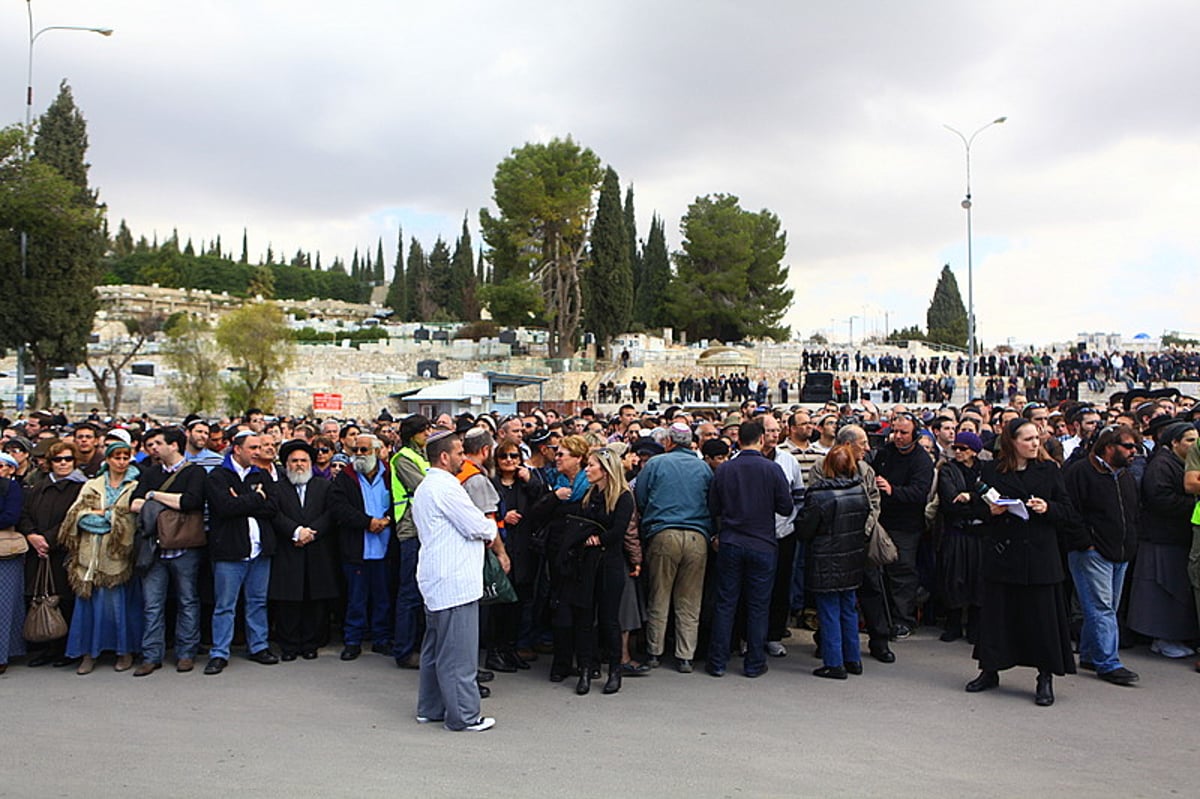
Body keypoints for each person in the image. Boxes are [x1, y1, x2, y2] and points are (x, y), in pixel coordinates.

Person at [968, 419, 1078, 707]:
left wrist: (1047, 507)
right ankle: (990, 670)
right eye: (1027, 439)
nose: (1034, 444)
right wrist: (990, 510)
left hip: (1039, 557)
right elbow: (977, 507)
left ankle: (1045, 677)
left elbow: (1067, 510)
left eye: (1036, 439)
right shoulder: (992, 470)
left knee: (1042, 619)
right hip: (1004, 554)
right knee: (997, 616)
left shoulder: (1049, 470)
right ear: (1011, 442)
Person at [412, 431, 498, 732]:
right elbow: (477, 524)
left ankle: (430, 707)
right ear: (445, 457)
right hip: (454, 582)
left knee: (436, 650)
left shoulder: (429, 486)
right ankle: (463, 715)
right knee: (458, 654)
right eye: (460, 452)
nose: (464, 457)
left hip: (439, 578)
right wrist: (490, 526)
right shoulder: (445, 487)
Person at [705, 421, 793, 678]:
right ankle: (755, 662)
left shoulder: (725, 470)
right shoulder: (772, 469)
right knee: (758, 605)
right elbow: (786, 507)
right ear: (761, 439)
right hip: (762, 542)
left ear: (737, 441)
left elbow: (713, 507)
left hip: (731, 541)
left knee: (726, 603)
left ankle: (718, 661)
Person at [1064, 424, 1141, 686]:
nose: (1134, 452)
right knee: (1102, 608)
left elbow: (1132, 511)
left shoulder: (1125, 476)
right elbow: (1070, 512)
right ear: (1109, 448)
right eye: (1128, 446)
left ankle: (1090, 653)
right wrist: (1086, 543)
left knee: (1104, 608)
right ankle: (1109, 663)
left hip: (1120, 551)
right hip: (1092, 553)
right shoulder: (1080, 472)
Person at [635, 421, 714, 673]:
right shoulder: (703, 468)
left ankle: (654, 651)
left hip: (663, 534)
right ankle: (685, 655)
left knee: (659, 595)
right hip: (696, 537)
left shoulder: (656, 464)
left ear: (668, 442)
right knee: (690, 599)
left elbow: (641, 497)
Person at [60, 441, 143, 675]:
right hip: (90, 554)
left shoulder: (134, 485)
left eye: (125, 457)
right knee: (88, 605)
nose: (121, 461)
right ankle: (89, 653)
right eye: (116, 457)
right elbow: (77, 516)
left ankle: (123, 651)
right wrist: (107, 518)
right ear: (107, 459)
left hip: (117, 556)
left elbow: (131, 519)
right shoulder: (92, 484)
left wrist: (107, 517)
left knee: (118, 605)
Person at [129, 427, 207, 675]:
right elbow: (135, 504)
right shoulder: (150, 472)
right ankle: (151, 655)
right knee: (152, 604)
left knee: (188, 600)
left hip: (185, 546)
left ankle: (186, 653)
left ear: (174, 445)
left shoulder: (194, 471)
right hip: (154, 548)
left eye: (157, 443)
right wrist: (165, 500)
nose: (153, 448)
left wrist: (155, 497)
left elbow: (190, 502)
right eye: (149, 444)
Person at [204, 431, 278, 675]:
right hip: (229, 551)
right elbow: (224, 507)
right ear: (237, 449)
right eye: (252, 447)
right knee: (225, 605)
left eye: (259, 447)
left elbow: (272, 507)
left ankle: (259, 646)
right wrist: (256, 497)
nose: (258, 452)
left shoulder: (261, 474)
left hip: (259, 551)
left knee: (258, 602)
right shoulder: (218, 476)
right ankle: (220, 652)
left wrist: (245, 501)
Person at [564, 447, 635, 695]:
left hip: (610, 565)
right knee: (584, 618)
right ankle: (585, 669)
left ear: (605, 470)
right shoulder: (589, 495)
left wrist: (599, 538)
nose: (587, 469)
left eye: (591, 465)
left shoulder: (623, 497)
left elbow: (619, 531)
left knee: (609, 620)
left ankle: (614, 670)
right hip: (586, 564)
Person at [795, 443, 869, 679]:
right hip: (852, 556)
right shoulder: (860, 489)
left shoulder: (818, 494)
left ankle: (834, 662)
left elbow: (804, 530)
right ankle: (853, 658)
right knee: (848, 608)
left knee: (828, 610)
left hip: (825, 558)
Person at [1129, 420, 1199, 659]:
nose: (1194, 444)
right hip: (1162, 536)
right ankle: (1163, 638)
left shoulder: (1182, 463)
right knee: (1163, 590)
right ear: (1174, 442)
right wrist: (1193, 504)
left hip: (1175, 536)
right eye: (1189, 440)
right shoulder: (1162, 465)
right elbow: (1161, 499)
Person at [268, 440, 338, 661]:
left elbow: (331, 513)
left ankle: (310, 643)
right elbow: (274, 514)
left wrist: (311, 532)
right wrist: (296, 531)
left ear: (310, 463)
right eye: (294, 461)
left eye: (303, 460)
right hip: (289, 549)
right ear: (286, 464)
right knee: (289, 600)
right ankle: (288, 645)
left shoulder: (324, 486)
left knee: (314, 600)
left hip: (317, 550)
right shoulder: (277, 488)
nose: (299, 465)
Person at [330, 434, 395, 661]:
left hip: (384, 548)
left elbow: (401, 503)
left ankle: (381, 639)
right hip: (356, 548)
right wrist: (367, 522)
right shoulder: (346, 477)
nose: (358, 455)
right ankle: (352, 640)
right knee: (355, 599)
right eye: (356, 450)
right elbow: (339, 509)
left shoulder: (390, 474)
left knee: (383, 598)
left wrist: (386, 520)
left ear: (376, 452)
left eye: (364, 450)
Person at [871, 412, 934, 639]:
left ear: (914, 434)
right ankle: (883, 618)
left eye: (903, 433)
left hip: (906, 526)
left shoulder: (921, 460)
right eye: (894, 432)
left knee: (903, 572)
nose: (897, 437)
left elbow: (919, 492)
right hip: (882, 520)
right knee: (880, 572)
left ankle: (903, 620)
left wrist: (893, 490)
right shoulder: (885, 454)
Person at [936, 431, 988, 644]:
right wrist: (978, 507)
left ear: (974, 452)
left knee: (978, 579)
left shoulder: (984, 470)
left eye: (963, 449)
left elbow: (993, 500)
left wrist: (971, 498)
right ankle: (954, 623)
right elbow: (950, 503)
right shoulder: (948, 470)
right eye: (955, 448)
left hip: (979, 534)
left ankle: (975, 624)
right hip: (956, 531)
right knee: (954, 578)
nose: (957, 452)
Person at [389, 415, 432, 669]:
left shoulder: (422, 456)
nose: (428, 433)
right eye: (424, 430)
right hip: (410, 529)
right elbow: (424, 487)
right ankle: (404, 650)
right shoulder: (403, 458)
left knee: (421, 593)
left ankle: (417, 645)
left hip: (423, 529)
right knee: (409, 593)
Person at [0, 453, 26, 674]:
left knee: (4, 605)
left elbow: (11, 516)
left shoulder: (11, 488)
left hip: (4, 551)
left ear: (10, 469)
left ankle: (2, 654)